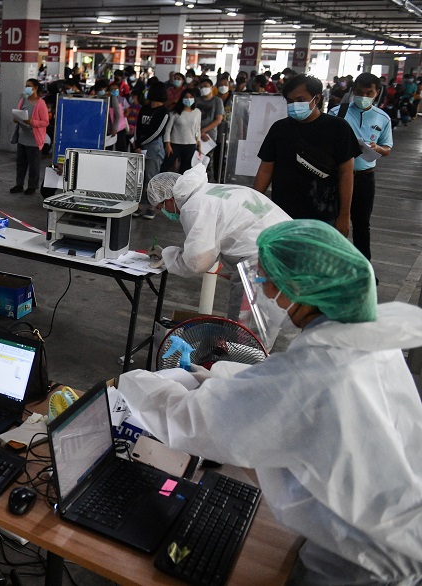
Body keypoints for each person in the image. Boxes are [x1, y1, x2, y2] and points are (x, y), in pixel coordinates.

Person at [118, 220, 422, 585]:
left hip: (364, 563)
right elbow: (275, 398)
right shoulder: (367, 339)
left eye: (268, 282)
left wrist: (133, 381)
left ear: (302, 289)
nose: (265, 291)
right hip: (391, 529)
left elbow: (195, 422)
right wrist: (209, 378)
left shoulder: (315, 374)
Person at [146, 164, 290, 317]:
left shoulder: (194, 207)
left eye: (161, 206)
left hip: (265, 259)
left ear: (169, 199)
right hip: (290, 244)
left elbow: (198, 261)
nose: (163, 212)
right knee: (267, 321)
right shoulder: (209, 191)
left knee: (246, 330)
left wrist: (169, 257)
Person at [254, 74, 359, 236]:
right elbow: (266, 170)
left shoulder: (338, 128)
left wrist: (344, 215)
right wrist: (254, 206)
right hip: (282, 215)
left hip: (323, 217)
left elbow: (346, 174)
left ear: (316, 99)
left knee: (318, 260)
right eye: (290, 101)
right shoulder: (279, 129)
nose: (294, 105)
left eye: (300, 99)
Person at [325, 72, 392, 261]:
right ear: (353, 91)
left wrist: (377, 147)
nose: (364, 97)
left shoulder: (383, 118)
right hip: (337, 176)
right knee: (334, 222)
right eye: (360, 92)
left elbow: (387, 149)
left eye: (369, 93)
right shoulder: (337, 113)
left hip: (364, 177)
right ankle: (332, 265)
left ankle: (364, 268)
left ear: (377, 93)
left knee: (362, 224)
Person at [132, 79, 171, 219]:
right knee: (138, 178)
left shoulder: (164, 111)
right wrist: (136, 144)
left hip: (153, 147)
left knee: (151, 177)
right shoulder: (145, 108)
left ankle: (152, 206)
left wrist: (141, 144)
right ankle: (137, 206)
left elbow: (157, 132)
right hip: (139, 146)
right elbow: (137, 126)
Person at [10, 78, 49, 195]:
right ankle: (19, 184)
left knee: (34, 165)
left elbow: (45, 122)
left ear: (36, 88)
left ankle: (32, 186)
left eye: (29, 86)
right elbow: (18, 113)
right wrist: (17, 119)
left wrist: (32, 122)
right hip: (22, 138)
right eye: (26, 86)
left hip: (34, 140)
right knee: (20, 164)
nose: (26, 88)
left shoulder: (41, 104)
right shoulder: (23, 101)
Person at [162, 88, 201, 174]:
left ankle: (181, 186)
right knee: (165, 166)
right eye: (186, 97)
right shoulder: (175, 113)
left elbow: (197, 128)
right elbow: (168, 129)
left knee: (185, 169)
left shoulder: (197, 112)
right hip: (175, 144)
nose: (188, 99)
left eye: (191, 97)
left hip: (190, 144)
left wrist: (198, 141)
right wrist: (167, 144)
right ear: (182, 98)